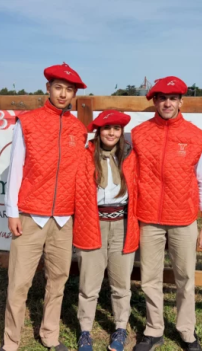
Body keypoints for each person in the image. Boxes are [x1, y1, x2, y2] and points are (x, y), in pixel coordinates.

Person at [0, 63, 88, 351]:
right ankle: (11, 342)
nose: (63, 94)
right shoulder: (27, 122)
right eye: (59, 87)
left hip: (64, 218)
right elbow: (16, 169)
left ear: (74, 94)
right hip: (30, 215)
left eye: (69, 90)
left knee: (58, 280)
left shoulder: (79, 128)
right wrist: (12, 210)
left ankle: (49, 334)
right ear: (48, 88)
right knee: (19, 283)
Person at [131, 76, 202, 351]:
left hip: (183, 218)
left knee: (186, 278)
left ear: (180, 101)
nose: (167, 103)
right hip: (149, 218)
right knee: (149, 278)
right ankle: (154, 330)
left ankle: (187, 331)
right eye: (162, 98)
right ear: (155, 100)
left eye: (173, 98)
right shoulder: (140, 133)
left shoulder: (194, 136)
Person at [72, 110, 140, 351]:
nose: (111, 132)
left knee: (121, 282)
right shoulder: (84, 156)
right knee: (89, 283)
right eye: (106, 128)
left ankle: (121, 327)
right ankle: (85, 330)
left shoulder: (129, 156)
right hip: (93, 222)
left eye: (116, 128)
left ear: (121, 132)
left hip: (122, 223)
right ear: (98, 131)